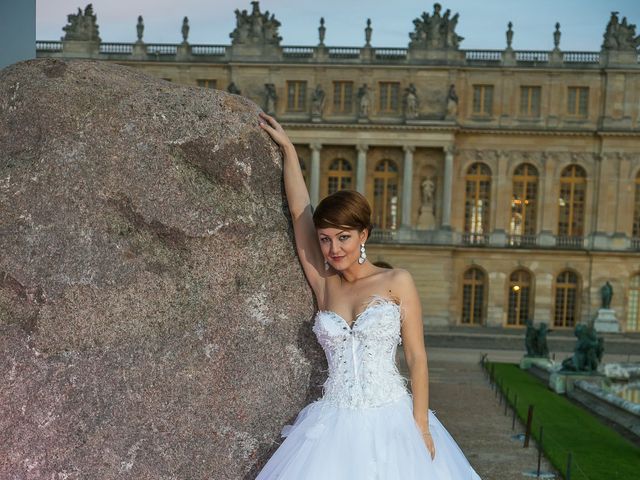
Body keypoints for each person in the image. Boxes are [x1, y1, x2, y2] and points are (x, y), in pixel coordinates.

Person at [256, 111, 481, 479]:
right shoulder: (325, 283)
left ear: (364, 235)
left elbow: (416, 357)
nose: (333, 248)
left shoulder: (397, 280)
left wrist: (420, 425)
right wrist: (290, 152)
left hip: (392, 418)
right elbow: (300, 213)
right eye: (326, 239)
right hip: (334, 421)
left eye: (343, 237)